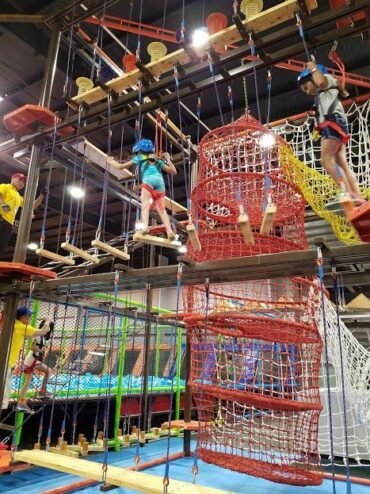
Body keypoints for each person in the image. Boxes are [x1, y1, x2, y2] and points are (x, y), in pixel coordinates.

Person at [297, 61, 364, 207]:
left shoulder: (326, 80)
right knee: (341, 163)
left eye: (306, 87)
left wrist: (313, 68)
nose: (307, 92)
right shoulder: (322, 94)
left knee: (326, 160)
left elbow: (320, 81)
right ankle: (356, 195)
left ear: (313, 77)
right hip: (335, 124)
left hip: (332, 123)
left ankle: (345, 191)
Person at [117, 139, 177, 239]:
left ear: (140, 150)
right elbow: (173, 172)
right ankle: (170, 232)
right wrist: (168, 160)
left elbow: (120, 166)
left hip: (148, 180)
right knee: (162, 210)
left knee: (145, 205)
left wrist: (109, 161)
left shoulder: (140, 157)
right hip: (160, 182)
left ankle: (145, 227)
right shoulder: (157, 159)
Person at [1, 306, 52, 414]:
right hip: (25, 360)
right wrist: (48, 320)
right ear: (24, 317)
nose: (30, 319)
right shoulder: (23, 328)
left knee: (32, 379)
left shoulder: (14, 325)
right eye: (29, 317)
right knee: (3, 399)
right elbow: (42, 333)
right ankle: (25, 400)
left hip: (13, 361)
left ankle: (28, 399)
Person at [0, 173, 46, 255]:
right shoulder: (5, 186)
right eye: (20, 180)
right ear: (13, 179)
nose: (22, 183)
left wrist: (42, 195)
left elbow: (32, 206)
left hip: (9, 223)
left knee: (1, 247)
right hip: (1, 217)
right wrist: (5, 207)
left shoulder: (18, 196)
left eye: (23, 182)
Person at [17, 319, 55, 413]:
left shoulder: (43, 338)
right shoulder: (38, 336)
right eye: (47, 327)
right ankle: (21, 402)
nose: (48, 329)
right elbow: (32, 347)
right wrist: (41, 350)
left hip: (34, 360)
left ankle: (42, 391)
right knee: (28, 381)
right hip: (31, 360)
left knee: (48, 371)